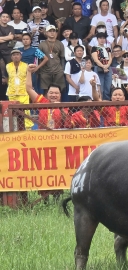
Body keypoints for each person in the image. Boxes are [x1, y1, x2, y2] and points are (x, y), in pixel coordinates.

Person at [25, 64, 69, 201]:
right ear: (47, 94)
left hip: (58, 144)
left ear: (60, 95)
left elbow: (67, 122)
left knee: (58, 170)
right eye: (51, 93)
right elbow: (28, 89)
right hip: (42, 143)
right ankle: (43, 198)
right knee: (43, 170)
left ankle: (56, 198)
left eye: (56, 93)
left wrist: (60, 109)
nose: (54, 95)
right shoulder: (42, 102)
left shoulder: (65, 108)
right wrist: (28, 72)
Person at [6, 49, 33, 128]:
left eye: (17, 54)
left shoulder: (26, 65)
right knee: (13, 112)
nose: (16, 56)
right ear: (11, 57)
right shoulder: (7, 66)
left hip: (23, 92)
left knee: (26, 111)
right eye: (14, 55)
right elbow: (7, 78)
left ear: (21, 56)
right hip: (12, 92)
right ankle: (13, 127)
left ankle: (28, 128)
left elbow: (29, 78)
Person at [38, 25, 65, 95]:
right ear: (46, 33)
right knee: (46, 91)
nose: (52, 33)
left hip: (58, 71)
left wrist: (62, 70)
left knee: (58, 91)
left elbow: (62, 58)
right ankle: (46, 106)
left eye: (54, 31)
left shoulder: (60, 43)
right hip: (45, 71)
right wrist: (39, 71)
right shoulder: (41, 44)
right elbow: (39, 59)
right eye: (50, 31)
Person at [91, 32, 113, 100]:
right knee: (100, 87)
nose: (102, 40)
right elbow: (96, 60)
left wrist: (107, 66)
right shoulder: (94, 48)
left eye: (103, 38)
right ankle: (100, 102)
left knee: (108, 87)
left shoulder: (108, 48)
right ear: (97, 39)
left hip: (108, 67)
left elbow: (110, 58)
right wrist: (103, 66)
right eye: (100, 38)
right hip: (99, 68)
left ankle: (107, 102)